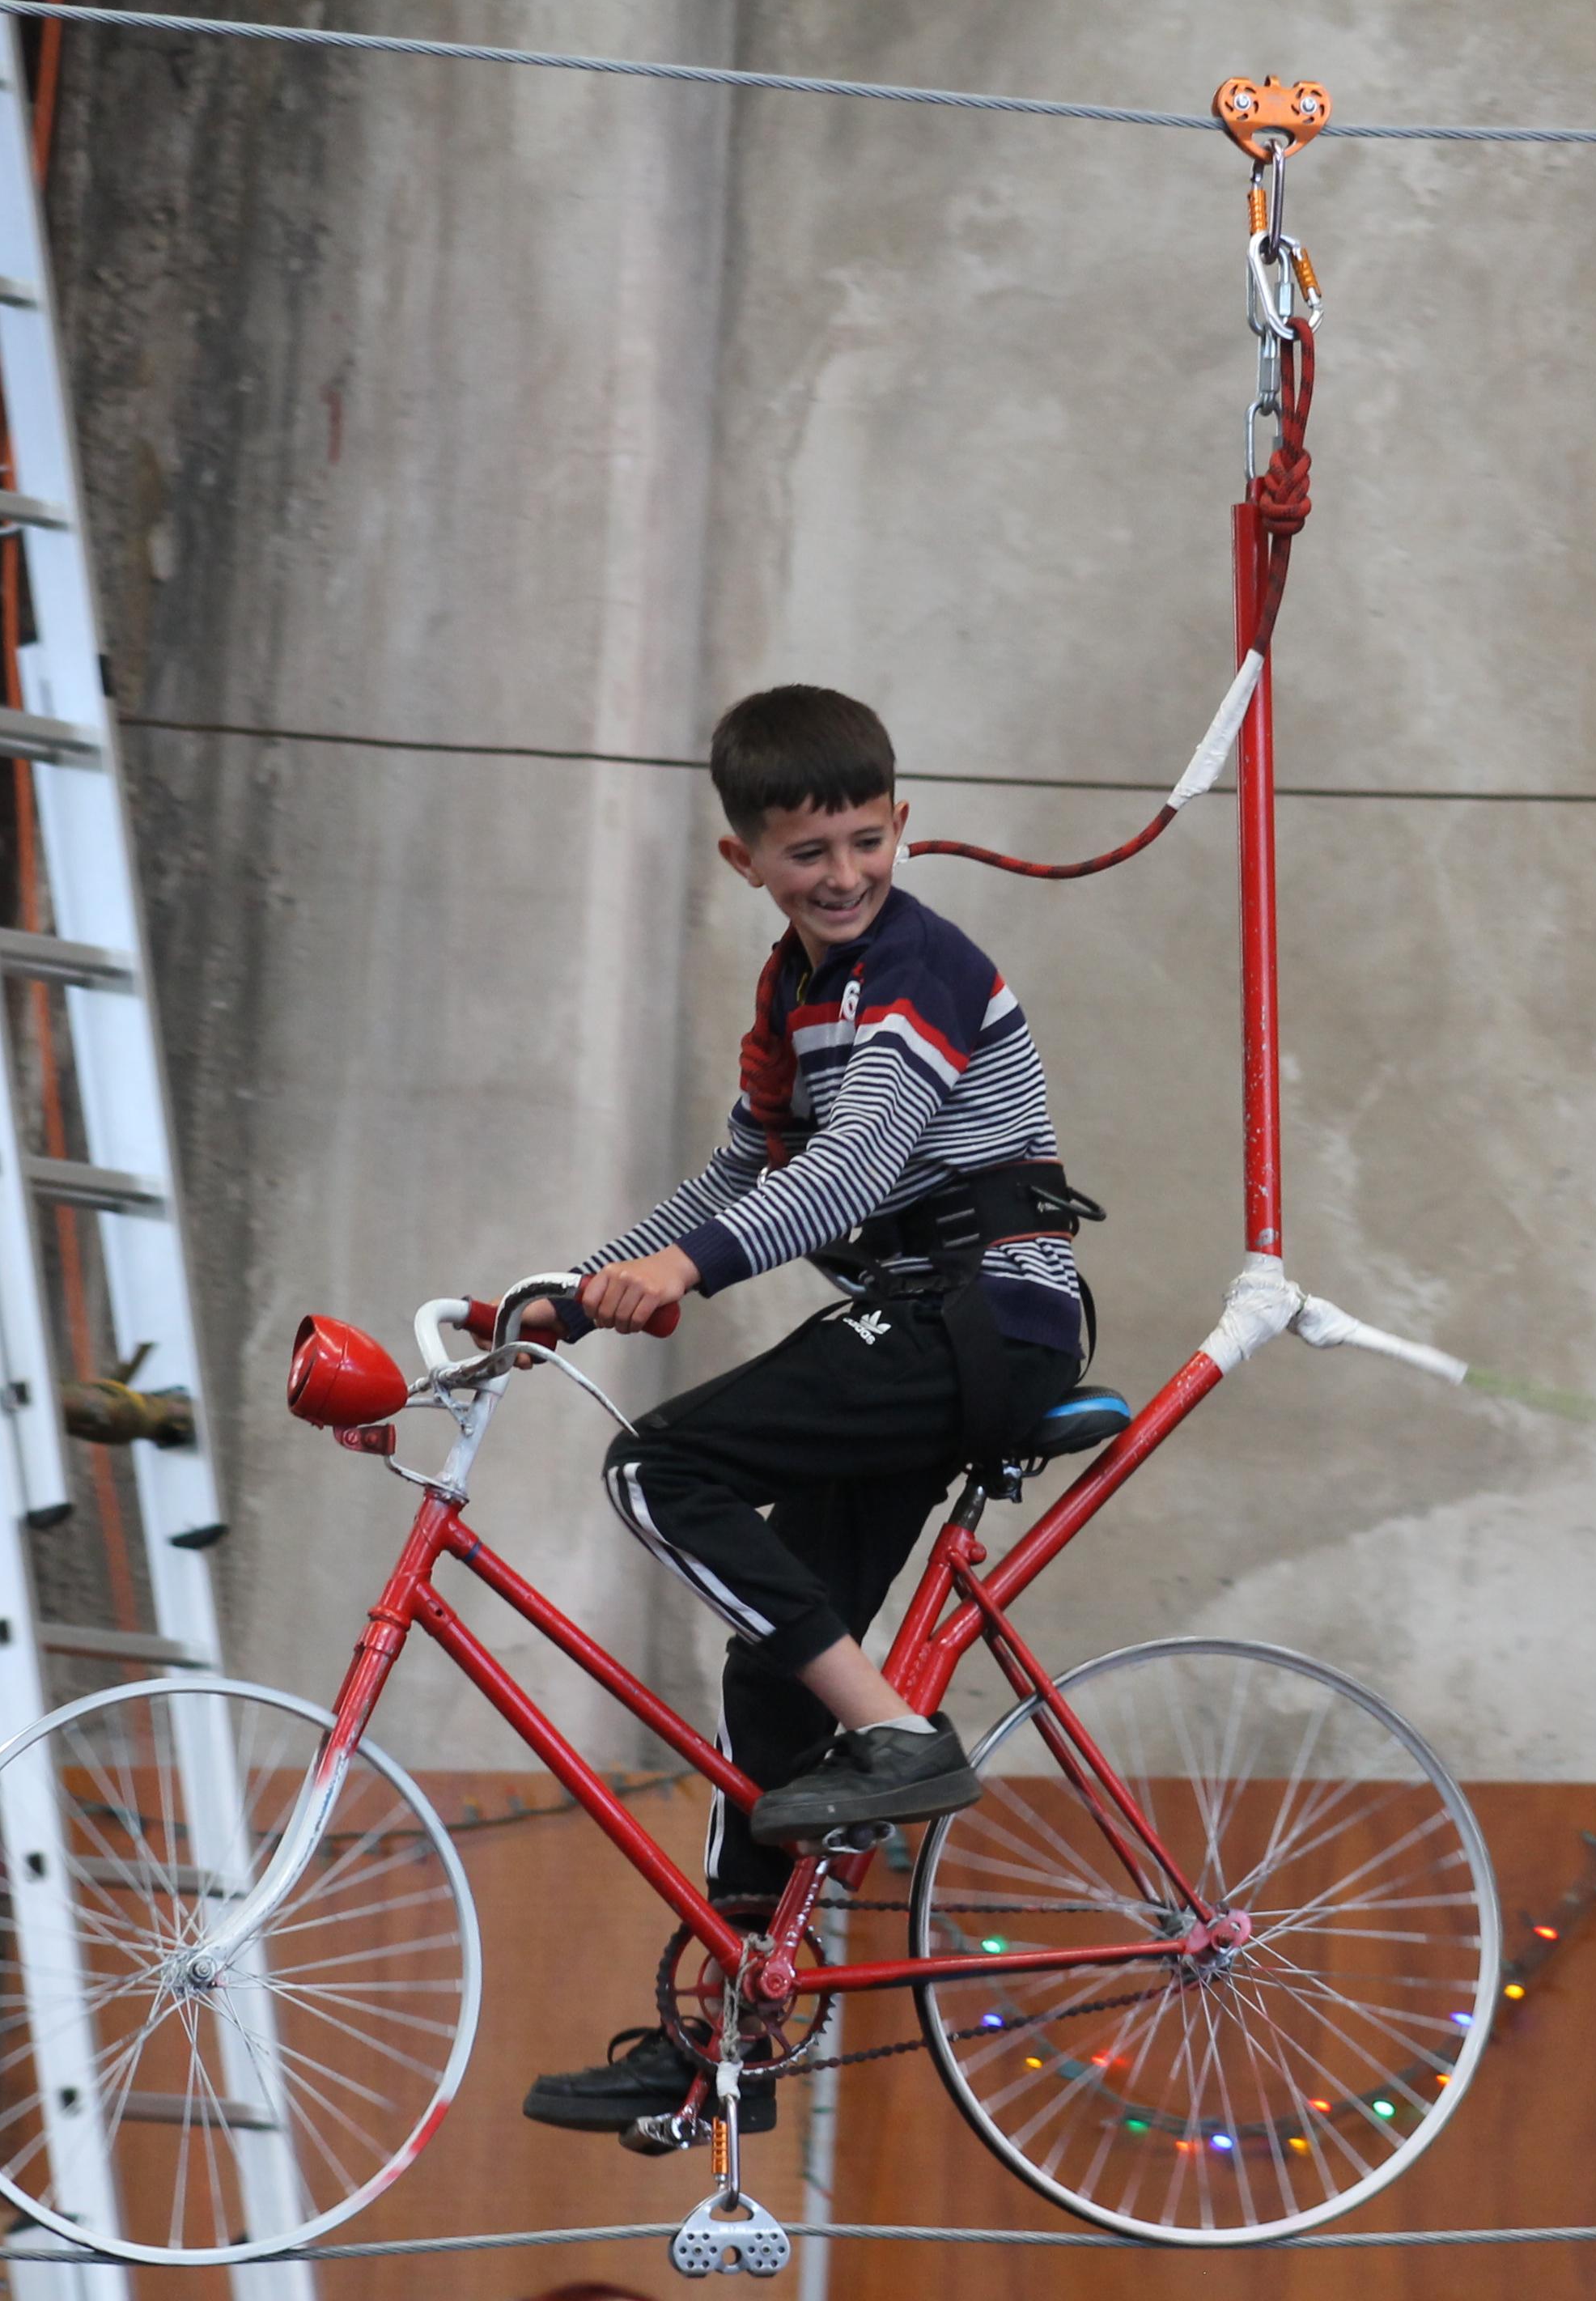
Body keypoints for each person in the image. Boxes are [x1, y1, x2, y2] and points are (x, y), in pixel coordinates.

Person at [511, 684, 1096, 2144]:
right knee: (777, 1666)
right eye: (805, 853)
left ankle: (901, 1739)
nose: (840, 874)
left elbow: (847, 1179)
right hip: (918, 1329)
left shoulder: (919, 969)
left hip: (989, 1316)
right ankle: (721, 2041)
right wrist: (568, 1292)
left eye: (862, 840)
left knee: (660, 1467)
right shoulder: (798, 995)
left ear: (901, 827)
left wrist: (683, 1276)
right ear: (745, 863)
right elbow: (737, 1174)